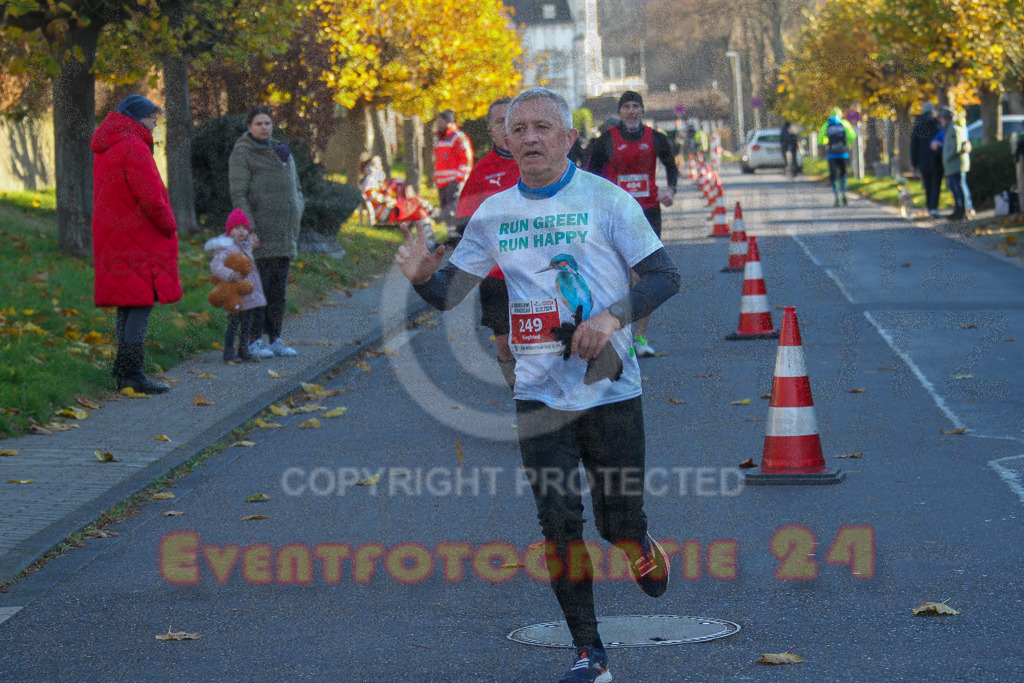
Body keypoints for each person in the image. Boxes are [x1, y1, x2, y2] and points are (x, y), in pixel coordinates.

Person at [395, 87, 680, 683]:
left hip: (611, 389)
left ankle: (636, 539)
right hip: (539, 394)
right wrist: (424, 278)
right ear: (505, 139)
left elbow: (664, 275)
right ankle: (589, 652)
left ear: (568, 138)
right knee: (557, 523)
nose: (529, 137)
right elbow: (451, 294)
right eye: (517, 127)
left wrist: (609, 318)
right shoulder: (494, 214)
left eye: (542, 127)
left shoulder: (604, 201)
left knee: (615, 523)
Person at [92, 94, 180, 395]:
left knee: (127, 303)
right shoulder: (134, 146)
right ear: (138, 118)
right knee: (140, 303)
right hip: (138, 238)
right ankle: (133, 374)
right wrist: (169, 225)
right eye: (152, 117)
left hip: (114, 236)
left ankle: (123, 370)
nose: (155, 123)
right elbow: (152, 196)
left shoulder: (109, 145)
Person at [586, 90, 679, 358]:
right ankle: (618, 336)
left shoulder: (656, 138)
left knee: (644, 277)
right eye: (626, 107)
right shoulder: (606, 140)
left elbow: (672, 167)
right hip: (617, 215)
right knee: (618, 276)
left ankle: (639, 338)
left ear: (641, 110)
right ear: (620, 111)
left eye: (635, 106)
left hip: (648, 212)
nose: (631, 111)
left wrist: (671, 189)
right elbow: (591, 174)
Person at [453, 97, 520, 388]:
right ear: (490, 130)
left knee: (542, 340)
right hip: (496, 276)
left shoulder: (539, 163)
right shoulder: (482, 171)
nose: (506, 128)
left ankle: (544, 397)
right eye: (498, 122)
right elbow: (465, 222)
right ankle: (518, 393)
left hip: (539, 270)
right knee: (506, 344)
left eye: (511, 120)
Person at [228, 106, 304, 358]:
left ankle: (275, 339)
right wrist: (249, 229)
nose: (264, 128)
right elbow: (239, 194)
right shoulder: (243, 153)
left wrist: (298, 208)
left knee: (278, 291)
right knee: (257, 290)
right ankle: (251, 341)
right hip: (260, 234)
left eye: (268, 123)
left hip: (284, 232)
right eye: (259, 123)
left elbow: (296, 187)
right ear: (249, 126)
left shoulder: (282, 150)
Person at [204, 209, 267, 363]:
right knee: (233, 323)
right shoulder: (226, 248)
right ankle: (229, 352)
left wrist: (252, 240)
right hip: (234, 293)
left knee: (247, 322)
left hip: (248, 291)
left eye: (245, 228)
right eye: (237, 228)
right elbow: (215, 266)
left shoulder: (245, 246)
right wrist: (230, 275)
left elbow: (250, 244)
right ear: (230, 230)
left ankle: (244, 350)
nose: (242, 231)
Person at [433, 109, 474, 235]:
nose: (438, 125)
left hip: (453, 181)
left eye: (441, 121)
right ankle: (451, 236)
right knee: (446, 211)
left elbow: (465, 159)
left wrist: (459, 179)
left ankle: (457, 236)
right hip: (443, 183)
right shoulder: (441, 139)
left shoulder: (457, 137)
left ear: (447, 122)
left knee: (453, 209)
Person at [359, 154, 432, 224]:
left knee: (415, 201)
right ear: (371, 167)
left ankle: (427, 215)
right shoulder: (370, 180)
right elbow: (371, 196)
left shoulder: (376, 180)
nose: (381, 168)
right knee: (414, 202)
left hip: (389, 209)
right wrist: (388, 199)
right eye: (378, 166)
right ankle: (428, 215)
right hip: (385, 213)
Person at [936, 107, 971, 221]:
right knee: (956, 188)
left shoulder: (953, 129)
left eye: (941, 118)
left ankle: (962, 210)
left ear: (945, 118)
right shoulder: (951, 128)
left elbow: (955, 147)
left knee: (959, 187)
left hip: (956, 164)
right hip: (953, 165)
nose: (940, 120)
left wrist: (947, 158)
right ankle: (958, 210)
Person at [910, 102, 944, 217]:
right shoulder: (938, 123)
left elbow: (914, 146)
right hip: (937, 158)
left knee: (928, 184)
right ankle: (934, 207)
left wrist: (914, 163)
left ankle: (930, 207)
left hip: (923, 160)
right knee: (936, 183)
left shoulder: (919, 125)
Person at [818, 107, 857, 206]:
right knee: (843, 174)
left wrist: (827, 142)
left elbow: (820, 140)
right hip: (843, 153)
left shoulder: (826, 125)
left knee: (834, 176)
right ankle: (844, 193)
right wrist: (847, 144)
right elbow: (852, 135)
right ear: (840, 114)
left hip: (831, 154)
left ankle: (836, 197)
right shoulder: (844, 123)